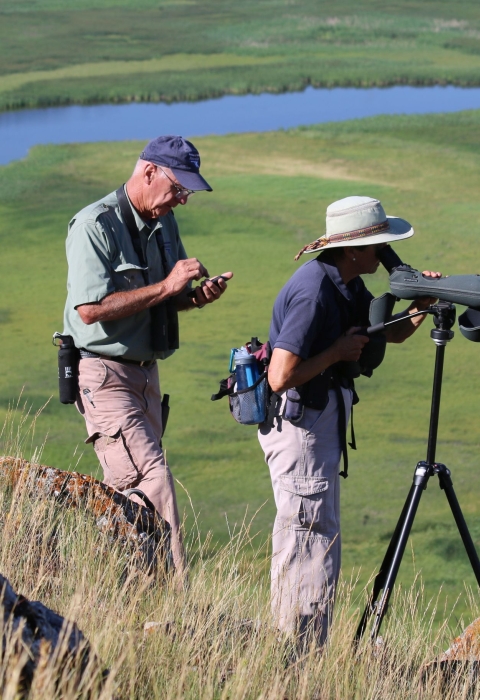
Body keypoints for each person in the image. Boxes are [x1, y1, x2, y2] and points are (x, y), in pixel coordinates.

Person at [258, 195, 440, 647]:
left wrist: (423, 301)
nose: (383, 252)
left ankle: (304, 653)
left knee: (318, 538)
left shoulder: (344, 282)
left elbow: (388, 334)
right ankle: (296, 658)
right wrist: (336, 353)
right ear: (354, 248)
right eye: (378, 243)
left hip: (317, 426)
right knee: (307, 538)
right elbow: (280, 376)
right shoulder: (314, 290)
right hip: (300, 429)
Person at [63, 135, 232, 577]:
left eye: (187, 193)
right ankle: (176, 601)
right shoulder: (93, 225)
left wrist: (195, 298)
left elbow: (164, 298)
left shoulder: (163, 222)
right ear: (149, 171)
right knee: (152, 481)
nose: (182, 200)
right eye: (179, 189)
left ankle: (121, 588)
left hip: (145, 375)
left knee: (127, 491)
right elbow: (90, 308)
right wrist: (167, 285)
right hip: (102, 373)